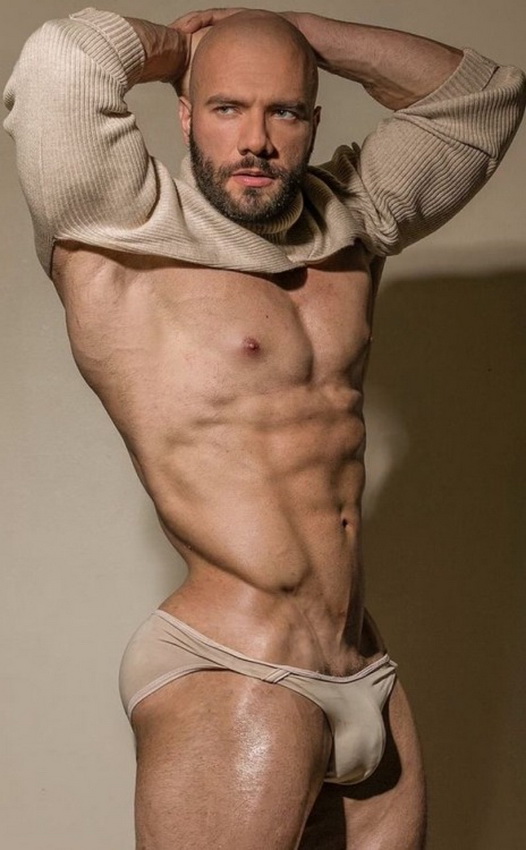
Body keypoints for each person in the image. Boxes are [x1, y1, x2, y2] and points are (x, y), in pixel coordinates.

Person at [4, 6, 525, 848]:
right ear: (183, 113)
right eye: (226, 107)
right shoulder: (119, 226)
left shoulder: (351, 220)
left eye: (283, 111)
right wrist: (189, 47)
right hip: (235, 663)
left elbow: (482, 101)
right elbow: (65, 59)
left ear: (313, 120)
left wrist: (300, 33)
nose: (256, 140)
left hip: (363, 666)